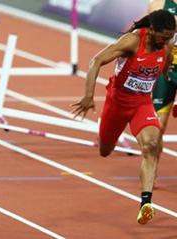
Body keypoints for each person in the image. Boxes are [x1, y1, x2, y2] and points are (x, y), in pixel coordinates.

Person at [71, 9, 175, 224]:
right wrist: (88, 96)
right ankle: (107, 132)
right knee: (105, 150)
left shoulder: (167, 45)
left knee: (152, 144)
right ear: (152, 30)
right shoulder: (132, 41)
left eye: (171, 37)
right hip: (117, 103)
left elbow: (163, 66)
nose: (167, 42)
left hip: (142, 104)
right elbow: (96, 61)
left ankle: (146, 202)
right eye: (163, 37)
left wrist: (165, 77)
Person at [149, 0, 177, 188]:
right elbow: (148, 33)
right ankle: (151, 171)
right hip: (165, 66)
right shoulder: (158, 2)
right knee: (157, 125)